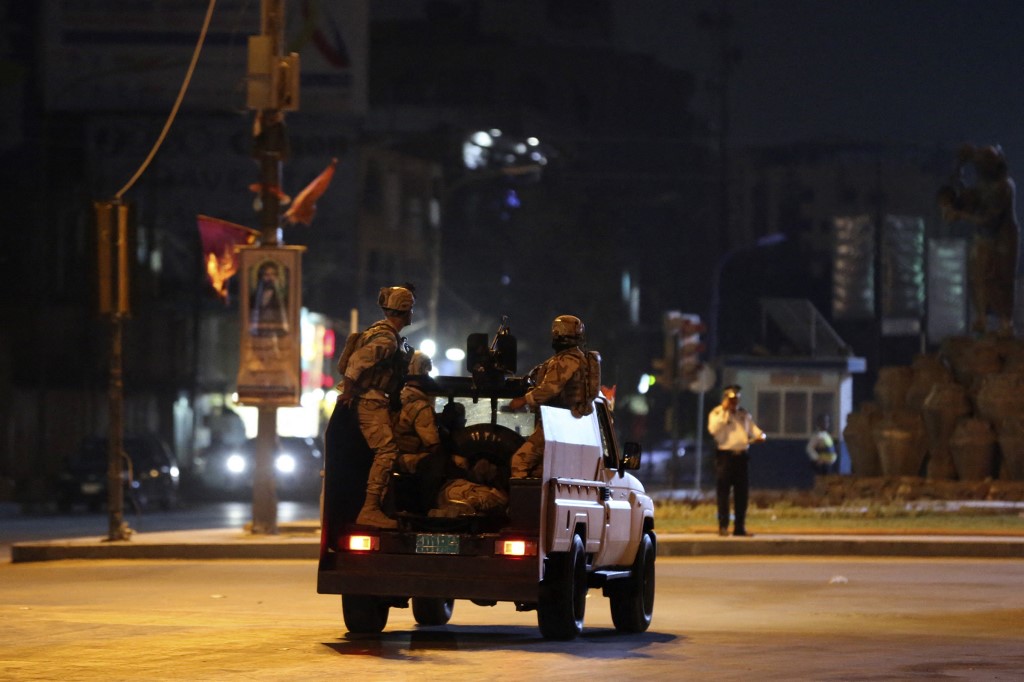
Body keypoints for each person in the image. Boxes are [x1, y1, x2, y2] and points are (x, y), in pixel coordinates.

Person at [336, 285, 415, 528]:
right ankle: (370, 509)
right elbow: (357, 361)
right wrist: (348, 390)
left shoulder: (379, 332)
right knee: (387, 452)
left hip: (373, 399)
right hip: (371, 400)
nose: (412, 313)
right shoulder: (387, 339)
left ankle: (382, 505)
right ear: (405, 310)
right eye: (410, 309)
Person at [938, 143, 1020, 336]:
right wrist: (959, 166)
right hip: (984, 236)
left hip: (1003, 237)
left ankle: (1005, 322)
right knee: (977, 276)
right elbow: (966, 196)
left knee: (1001, 279)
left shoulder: (1003, 186)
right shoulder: (983, 184)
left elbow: (989, 219)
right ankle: (982, 318)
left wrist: (961, 215)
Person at [507, 315, 600, 478]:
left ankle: (521, 495)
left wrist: (523, 400)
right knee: (540, 470)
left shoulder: (566, 360)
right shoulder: (578, 359)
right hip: (566, 425)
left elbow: (550, 388)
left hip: (556, 425)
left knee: (519, 462)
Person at [707, 384, 766, 537]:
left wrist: (761, 436)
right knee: (723, 493)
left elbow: (754, 430)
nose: (734, 402)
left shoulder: (743, 414)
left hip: (741, 457)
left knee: (741, 494)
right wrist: (725, 412)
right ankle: (723, 526)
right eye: (731, 399)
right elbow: (713, 430)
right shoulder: (717, 413)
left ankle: (739, 527)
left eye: (736, 399)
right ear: (725, 399)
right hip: (725, 456)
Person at [249, 261, 289, 336]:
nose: (270, 278)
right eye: (266, 275)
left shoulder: (283, 298)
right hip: (260, 331)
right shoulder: (254, 297)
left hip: (278, 331)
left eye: (273, 274)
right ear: (261, 277)